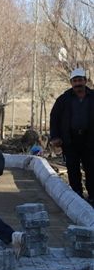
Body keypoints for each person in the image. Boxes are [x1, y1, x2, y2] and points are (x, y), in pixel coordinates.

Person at [49, 67, 94, 204]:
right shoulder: (64, 99)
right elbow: (54, 118)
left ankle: (92, 196)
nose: (78, 83)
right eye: (75, 81)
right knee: (73, 169)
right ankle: (77, 196)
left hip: (90, 140)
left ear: (85, 81)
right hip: (70, 140)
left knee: (91, 169)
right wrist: (55, 136)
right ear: (71, 83)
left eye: (80, 80)